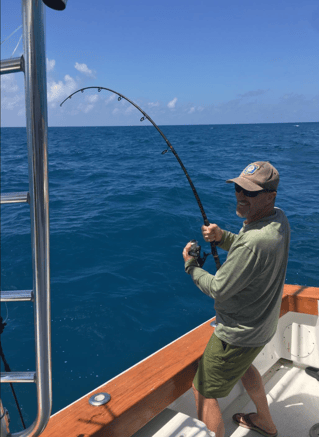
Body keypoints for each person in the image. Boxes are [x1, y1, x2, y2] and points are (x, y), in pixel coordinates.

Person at [182, 161, 290, 437]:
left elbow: (218, 287)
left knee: (203, 391)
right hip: (262, 325)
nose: (241, 196)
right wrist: (223, 237)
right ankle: (265, 422)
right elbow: (248, 248)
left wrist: (191, 266)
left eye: (251, 192)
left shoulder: (255, 241)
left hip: (236, 334)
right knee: (245, 367)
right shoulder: (278, 219)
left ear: (270, 196)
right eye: (239, 188)